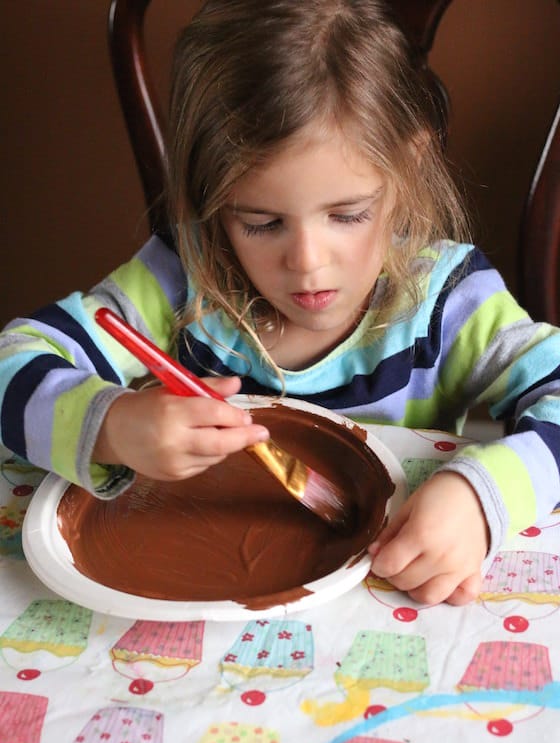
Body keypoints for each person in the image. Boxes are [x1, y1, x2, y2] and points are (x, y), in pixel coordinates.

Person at [1, 0, 559, 608]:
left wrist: (483, 499)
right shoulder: (180, 281)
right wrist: (111, 425)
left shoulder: (451, 301)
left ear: (408, 170)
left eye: (348, 215)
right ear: (212, 200)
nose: (308, 261)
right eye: (263, 223)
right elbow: (13, 363)